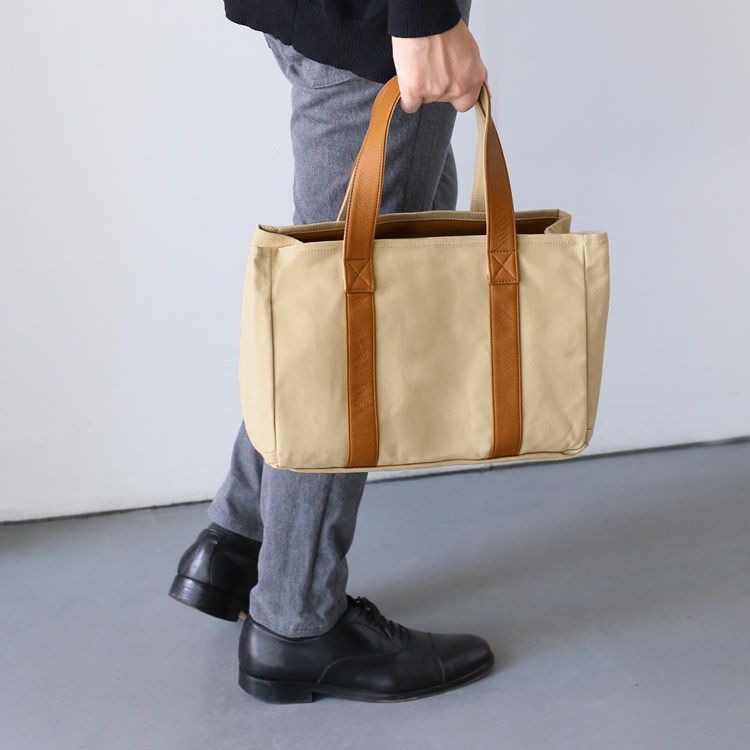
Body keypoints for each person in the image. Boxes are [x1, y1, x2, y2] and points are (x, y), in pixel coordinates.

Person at [169, 0, 493, 703]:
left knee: (350, 282)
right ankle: (297, 619)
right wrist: (423, 17)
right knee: (350, 322)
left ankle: (242, 539)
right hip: (378, 23)